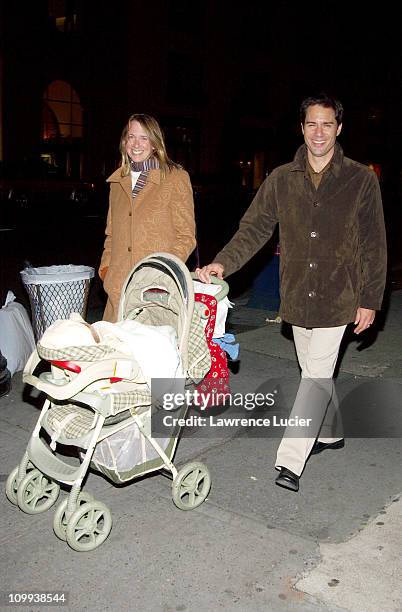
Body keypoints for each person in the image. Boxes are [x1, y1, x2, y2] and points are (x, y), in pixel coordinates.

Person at [196, 93, 387, 492]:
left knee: (315, 377)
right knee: (314, 372)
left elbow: (374, 244)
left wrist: (370, 298)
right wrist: (222, 263)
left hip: (340, 295)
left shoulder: (360, 179)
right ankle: (330, 432)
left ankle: (290, 461)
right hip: (298, 296)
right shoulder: (282, 179)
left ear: (339, 128)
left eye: (327, 124)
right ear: (302, 128)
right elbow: (254, 228)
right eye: (311, 124)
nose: (319, 132)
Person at [99, 114, 196, 322]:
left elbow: (186, 236)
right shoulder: (117, 182)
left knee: (148, 351)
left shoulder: (175, 178)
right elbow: (111, 234)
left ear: (154, 143)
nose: (136, 144)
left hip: (154, 291)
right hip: (118, 289)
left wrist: (161, 272)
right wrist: (106, 271)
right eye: (131, 136)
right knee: (116, 352)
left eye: (144, 138)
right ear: (124, 141)